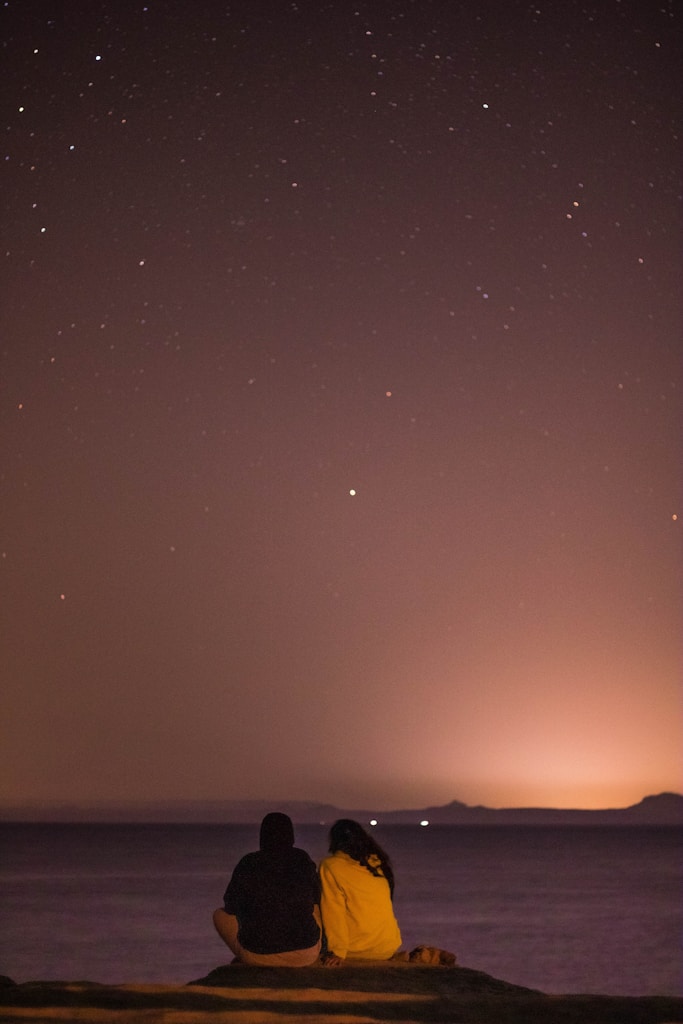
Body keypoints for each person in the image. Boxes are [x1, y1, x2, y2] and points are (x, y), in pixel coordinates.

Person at [213, 812, 322, 966]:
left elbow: (231, 904)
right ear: (291, 835)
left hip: (259, 955)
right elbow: (316, 896)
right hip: (306, 954)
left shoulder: (249, 862)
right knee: (316, 907)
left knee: (219, 914)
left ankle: (245, 954)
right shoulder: (301, 858)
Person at [318, 818, 402, 963]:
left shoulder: (331, 866)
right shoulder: (377, 863)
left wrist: (337, 951)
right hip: (387, 947)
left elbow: (333, 911)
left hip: (356, 949)